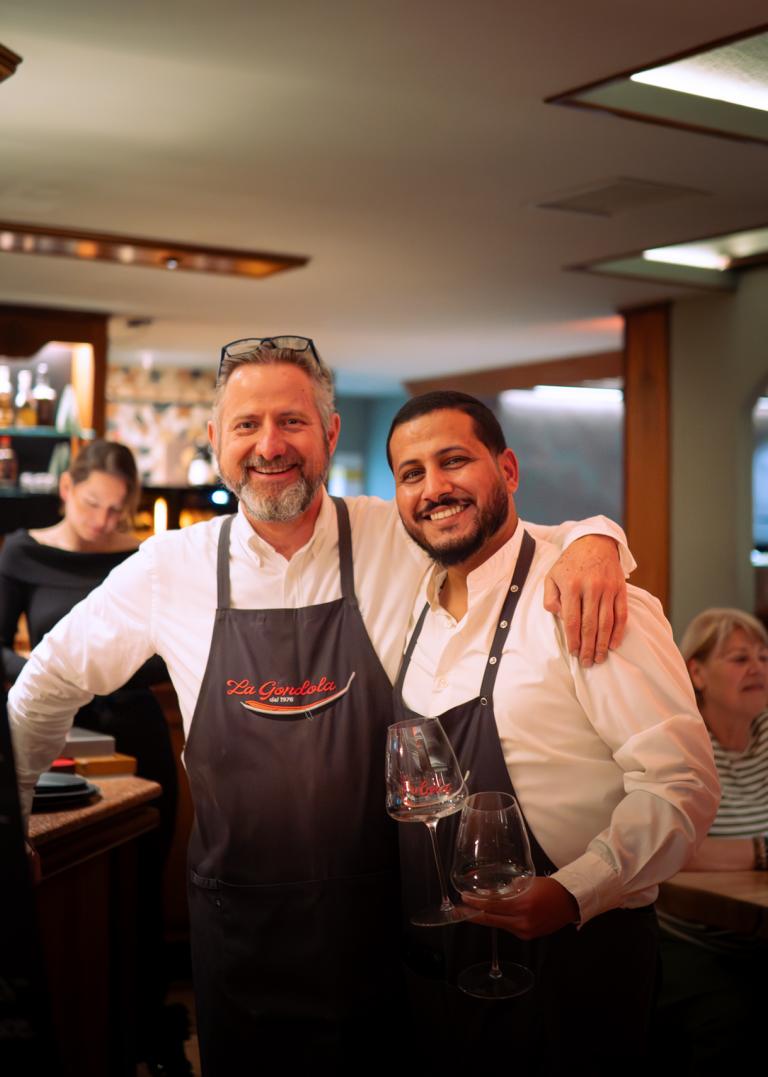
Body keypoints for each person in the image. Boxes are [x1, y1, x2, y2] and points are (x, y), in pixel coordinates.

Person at [10, 337, 634, 1070]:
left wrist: (597, 539)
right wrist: (9, 822)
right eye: (246, 425)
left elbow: (524, 541)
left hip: (387, 928)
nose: (269, 445)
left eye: (292, 421)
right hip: (240, 931)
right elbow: (46, 682)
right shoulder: (169, 568)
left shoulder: (393, 534)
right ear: (215, 440)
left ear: (331, 433)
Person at [386, 391, 720, 1074]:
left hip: (577, 961)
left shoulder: (588, 598)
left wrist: (574, 892)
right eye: (411, 473)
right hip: (443, 970)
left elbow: (682, 787)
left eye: (455, 460)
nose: (434, 487)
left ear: (508, 469)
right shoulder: (410, 605)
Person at [0, 439, 186, 1076]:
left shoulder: (145, 558)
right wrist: (54, 671)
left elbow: (164, 651)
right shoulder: (21, 551)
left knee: (142, 879)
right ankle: (78, 1027)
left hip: (138, 729)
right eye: (92, 504)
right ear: (66, 490)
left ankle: (142, 1027)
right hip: (59, 730)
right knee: (67, 874)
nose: (103, 521)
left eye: (116, 510)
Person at [655, 608, 768, 1072]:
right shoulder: (681, 742)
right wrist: (761, 851)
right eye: (740, 658)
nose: (757, 667)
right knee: (734, 1022)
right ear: (697, 673)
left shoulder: (765, 732)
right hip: (686, 938)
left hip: (755, 935)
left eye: (763, 657)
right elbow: (667, 847)